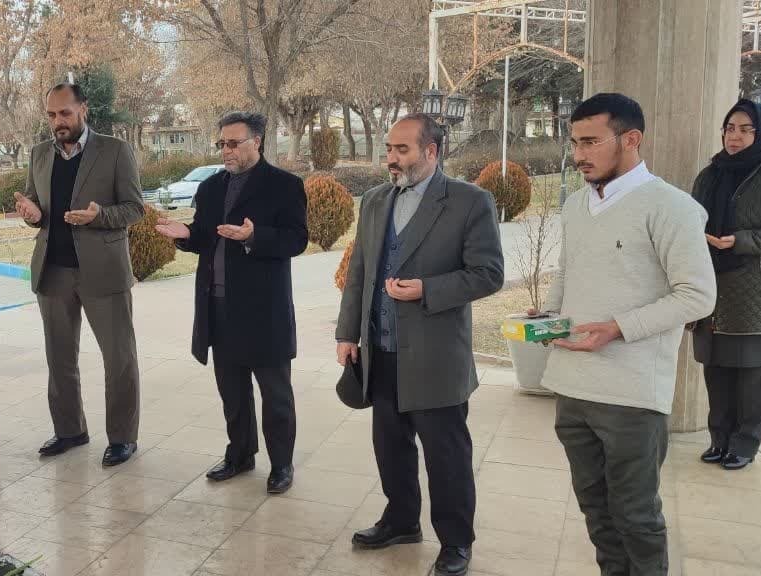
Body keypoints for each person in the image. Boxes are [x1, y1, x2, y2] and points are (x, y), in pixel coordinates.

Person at [540, 93, 716, 576]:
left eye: (591, 142)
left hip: (632, 396)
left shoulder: (672, 207)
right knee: (595, 510)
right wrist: (548, 315)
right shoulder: (576, 204)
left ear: (631, 139)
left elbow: (698, 296)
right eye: (575, 142)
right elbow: (567, 271)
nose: (579, 154)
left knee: (636, 516)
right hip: (572, 386)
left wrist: (617, 328)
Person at [335, 113, 504, 576]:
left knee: (446, 457)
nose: (391, 158)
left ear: (431, 151)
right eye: (389, 149)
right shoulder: (374, 200)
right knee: (390, 447)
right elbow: (358, 272)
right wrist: (347, 333)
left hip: (436, 358)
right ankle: (401, 521)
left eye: (402, 150)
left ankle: (456, 542)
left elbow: (489, 274)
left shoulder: (471, 201)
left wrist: (428, 289)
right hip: (380, 352)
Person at [155, 111, 307, 494]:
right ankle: (240, 455)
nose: (226, 150)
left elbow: (296, 240)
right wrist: (185, 234)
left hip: (263, 311)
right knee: (232, 392)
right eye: (222, 143)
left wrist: (254, 237)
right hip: (218, 307)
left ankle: (282, 464)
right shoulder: (211, 188)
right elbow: (205, 237)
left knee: (275, 395)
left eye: (234, 143)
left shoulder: (284, 185)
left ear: (257, 141)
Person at [14, 83, 146, 467]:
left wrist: (99, 216)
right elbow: (35, 205)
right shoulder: (39, 154)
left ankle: (122, 437)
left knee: (119, 359)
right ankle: (70, 430)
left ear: (83, 109)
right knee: (59, 359)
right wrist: (32, 214)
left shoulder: (115, 150)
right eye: (51, 115)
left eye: (65, 113)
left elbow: (135, 208)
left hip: (103, 273)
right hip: (53, 272)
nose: (58, 121)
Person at [691, 99, 761, 471]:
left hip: (757, 291)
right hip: (713, 285)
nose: (735, 136)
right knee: (717, 369)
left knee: (753, 374)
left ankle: (744, 444)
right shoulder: (710, 174)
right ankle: (720, 439)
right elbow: (692, 218)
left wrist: (742, 240)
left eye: (746, 129)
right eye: (730, 128)